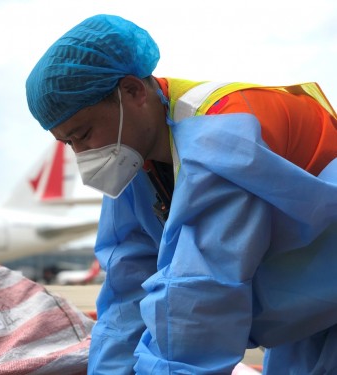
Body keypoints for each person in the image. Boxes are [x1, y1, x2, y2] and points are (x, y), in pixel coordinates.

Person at [25, 14, 337, 374]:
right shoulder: (137, 158)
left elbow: (203, 295)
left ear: (132, 91)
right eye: (68, 143)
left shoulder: (222, 133)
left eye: (83, 134)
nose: (82, 155)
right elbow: (127, 287)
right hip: (303, 317)